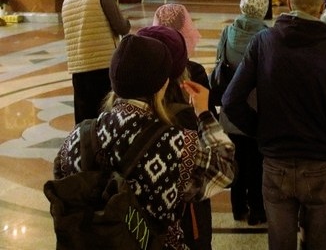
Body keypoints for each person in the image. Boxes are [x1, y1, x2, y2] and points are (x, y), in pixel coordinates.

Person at [53, 33, 235, 250]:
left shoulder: (76, 138)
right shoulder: (175, 145)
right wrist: (204, 114)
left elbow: (65, 190)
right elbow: (224, 170)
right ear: (162, 84)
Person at [222, 0, 326, 250]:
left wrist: (262, 133)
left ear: (288, 3)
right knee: (321, 244)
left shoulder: (264, 42)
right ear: (322, 7)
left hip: (276, 161)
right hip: (322, 162)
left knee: (280, 243)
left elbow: (230, 100)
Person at [136, 25, 215, 249]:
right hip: (184, 228)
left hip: (132, 227)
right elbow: (221, 171)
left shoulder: (111, 121)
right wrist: (205, 114)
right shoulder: (187, 119)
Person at [214, 0, 270, 225]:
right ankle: (257, 210)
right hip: (256, 110)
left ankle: (238, 208)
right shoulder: (267, 36)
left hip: (231, 110)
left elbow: (218, 65)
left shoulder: (227, 32)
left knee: (235, 161)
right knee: (256, 163)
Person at [61, 0, 130, 123]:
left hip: (78, 68)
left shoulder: (67, 0)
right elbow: (121, 27)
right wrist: (127, 22)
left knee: (84, 121)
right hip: (102, 66)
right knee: (105, 118)